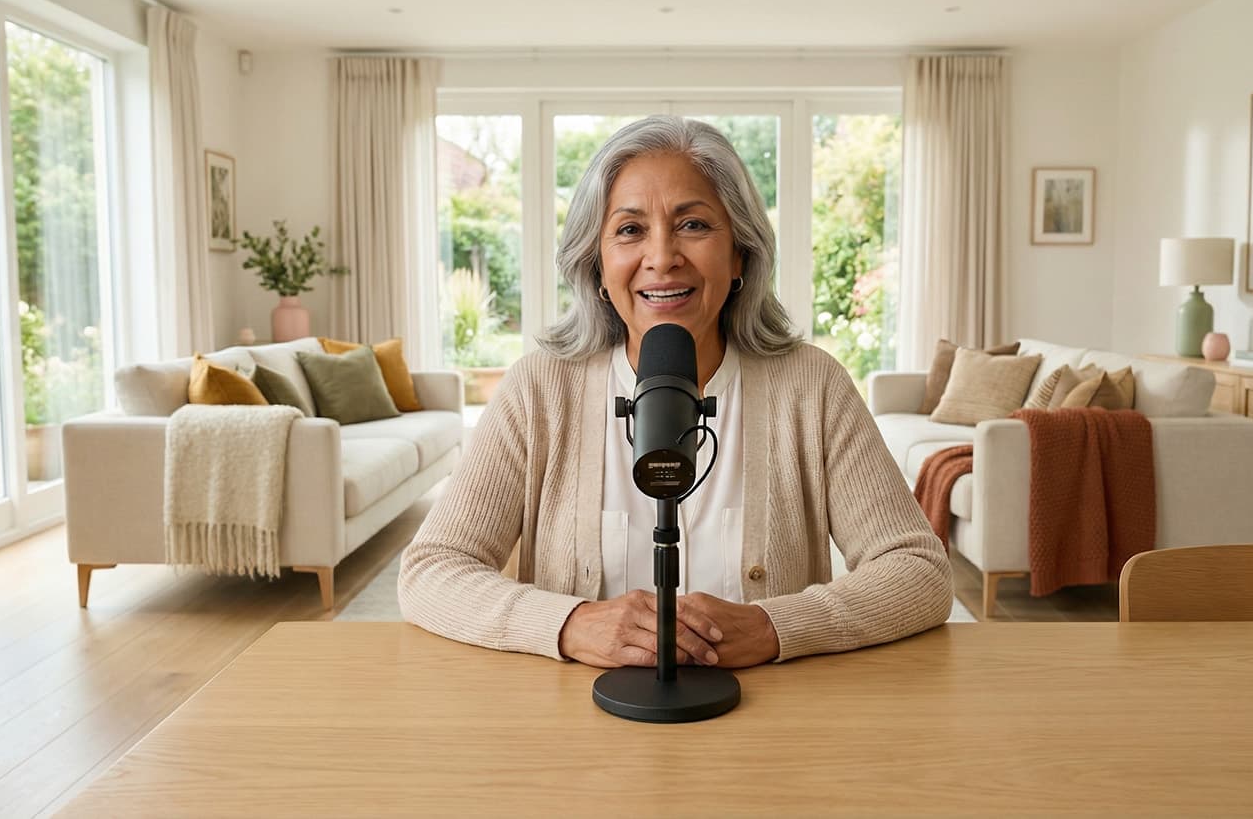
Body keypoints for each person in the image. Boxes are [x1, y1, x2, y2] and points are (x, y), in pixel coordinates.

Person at [399, 115, 952, 668]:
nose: (662, 257)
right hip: (576, 731)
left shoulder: (811, 385)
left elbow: (918, 570)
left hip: (774, 727)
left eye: (693, 225)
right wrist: (569, 624)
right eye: (630, 230)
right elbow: (432, 570)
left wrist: (775, 626)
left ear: (740, 253)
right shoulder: (540, 389)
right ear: (597, 263)